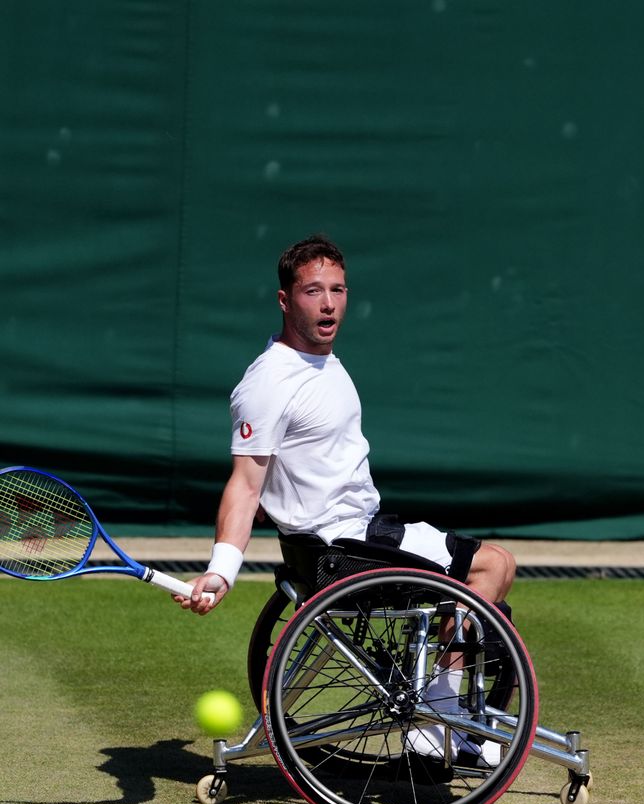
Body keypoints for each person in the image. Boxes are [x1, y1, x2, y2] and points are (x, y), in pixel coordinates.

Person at [174, 234, 515, 762]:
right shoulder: (269, 382)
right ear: (285, 300)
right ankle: (436, 719)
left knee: (494, 566)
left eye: (338, 290)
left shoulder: (322, 363)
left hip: (364, 530)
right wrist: (221, 571)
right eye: (313, 291)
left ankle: (441, 712)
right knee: (491, 566)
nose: (329, 304)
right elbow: (245, 484)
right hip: (340, 551)